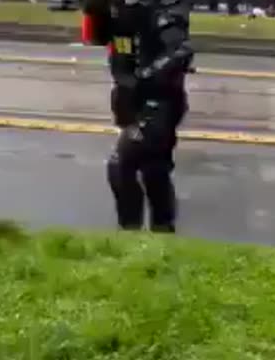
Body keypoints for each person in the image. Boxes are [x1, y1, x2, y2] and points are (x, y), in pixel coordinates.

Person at [81, 0, 194, 233]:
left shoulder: (163, 8)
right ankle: (161, 232)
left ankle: (129, 231)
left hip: (160, 100)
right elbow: (97, 38)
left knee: (121, 164)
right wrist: (94, 10)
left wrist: (146, 76)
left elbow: (180, 51)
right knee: (154, 169)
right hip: (128, 100)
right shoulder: (117, 8)